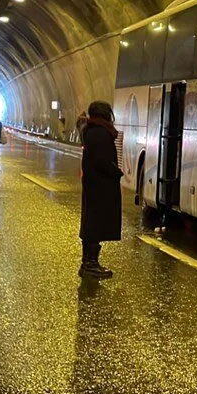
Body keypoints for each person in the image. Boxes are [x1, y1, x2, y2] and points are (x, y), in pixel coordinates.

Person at [79, 101, 123, 279]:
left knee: (92, 220)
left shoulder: (92, 130)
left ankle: (88, 263)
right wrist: (116, 171)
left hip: (93, 184)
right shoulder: (100, 133)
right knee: (96, 221)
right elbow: (102, 161)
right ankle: (90, 263)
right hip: (101, 185)